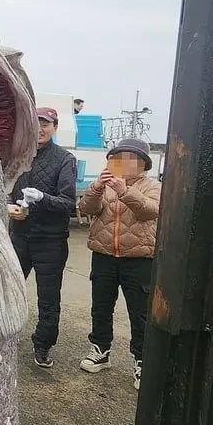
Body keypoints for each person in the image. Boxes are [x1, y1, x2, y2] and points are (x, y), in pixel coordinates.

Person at [77, 138, 161, 390]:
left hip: (139, 258)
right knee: (101, 307)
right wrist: (96, 188)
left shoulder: (153, 186)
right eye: (118, 158)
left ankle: (142, 360)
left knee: (140, 312)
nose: (123, 163)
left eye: (130, 158)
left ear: (142, 163)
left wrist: (124, 191)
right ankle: (100, 350)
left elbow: (149, 211)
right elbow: (86, 208)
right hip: (103, 255)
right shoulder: (106, 185)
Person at [8, 106, 77, 370]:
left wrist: (42, 198)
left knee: (48, 298)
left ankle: (43, 344)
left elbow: (68, 202)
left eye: (46, 124)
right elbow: (6, 190)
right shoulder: (19, 155)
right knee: (9, 289)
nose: (40, 129)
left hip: (51, 241)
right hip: (20, 237)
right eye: (36, 124)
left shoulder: (64, 159)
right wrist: (10, 207)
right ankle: (6, 336)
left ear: (55, 127)